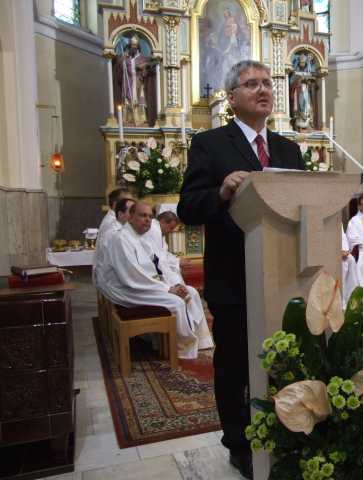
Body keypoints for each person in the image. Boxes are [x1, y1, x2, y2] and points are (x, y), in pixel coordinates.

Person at [177, 60, 304, 479]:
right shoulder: (209, 144)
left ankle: (288, 428)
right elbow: (187, 207)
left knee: (285, 359)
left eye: (267, 82)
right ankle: (239, 444)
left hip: (284, 275)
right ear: (232, 98)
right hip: (233, 277)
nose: (263, 89)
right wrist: (221, 191)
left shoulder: (289, 150)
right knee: (234, 366)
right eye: (252, 84)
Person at [101, 201, 213, 359]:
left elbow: (156, 266)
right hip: (127, 289)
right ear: (130, 217)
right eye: (142, 215)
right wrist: (168, 289)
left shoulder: (140, 238)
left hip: (144, 285)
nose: (147, 219)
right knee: (176, 302)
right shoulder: (121, 239)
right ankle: (180, 348)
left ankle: (201, 341)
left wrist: (173, 285)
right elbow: (132, 276)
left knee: (191, 292)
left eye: (150, 216)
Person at [94, 197, 136, 290]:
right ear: (120, 214)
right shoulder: (115, 233)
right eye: (131, 212)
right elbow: (124, 266)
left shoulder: (126, 230)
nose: (135, 216)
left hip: (121, 277)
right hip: (114, 283)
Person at [342, 226, 361, 307]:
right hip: (332, 251)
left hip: (344, 253)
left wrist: (345, 249)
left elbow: (342, 235)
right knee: (343, 262)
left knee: (351, 259)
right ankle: (342, 303)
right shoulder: (355, 221)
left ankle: (351, 300)